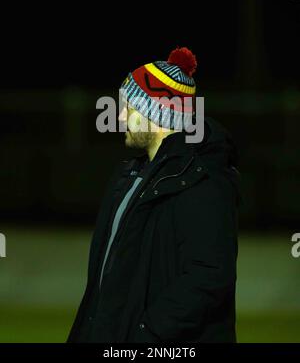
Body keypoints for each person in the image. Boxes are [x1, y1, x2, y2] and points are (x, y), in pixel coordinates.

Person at [67, 47, 241, 343]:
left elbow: (208, 277)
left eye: (128, 107)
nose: (119, 116)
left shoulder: (203, 179)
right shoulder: (129, 176)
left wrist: (146, 334)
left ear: (155, 111)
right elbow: (105, 284)